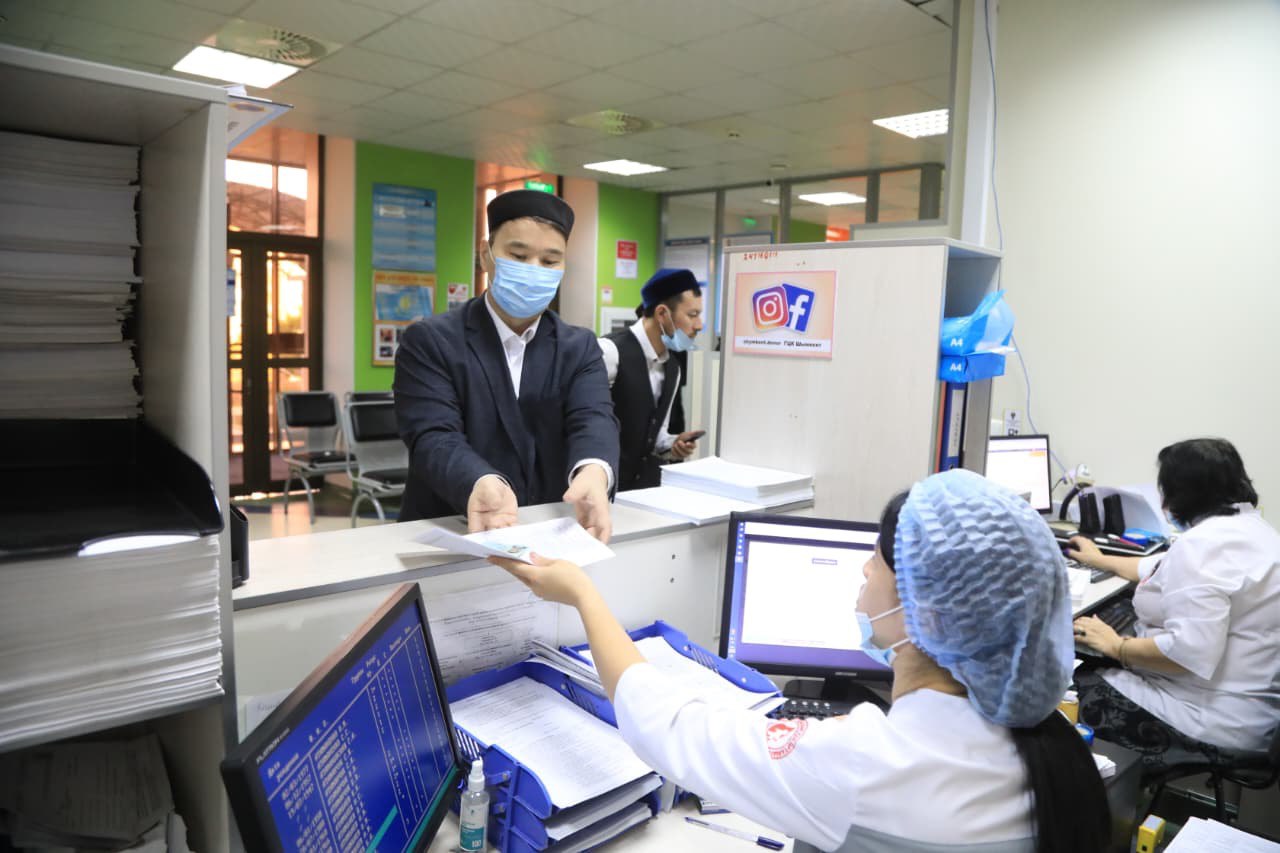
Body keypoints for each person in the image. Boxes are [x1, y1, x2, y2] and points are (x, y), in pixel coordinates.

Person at [492, 470, 1109, 853]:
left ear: (926, 611)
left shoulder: (866, 763)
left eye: (878, 559)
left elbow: (669, 727)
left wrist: (584, 596)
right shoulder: (1050, 749)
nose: (864, 569)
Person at [393, 189, 619, 541]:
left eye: (550, 261)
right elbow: (433, 436)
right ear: (486, 255)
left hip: (546, 535)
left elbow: (593, 418)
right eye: (518, 255)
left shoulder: (578, 347)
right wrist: (479, 480)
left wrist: (594, 470)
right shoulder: (432, 341)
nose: (533, 271)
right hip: (452, 531)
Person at [1070, 438, 1280, 771]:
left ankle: (1098, 791)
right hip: (1254, 713)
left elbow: (1188, 653)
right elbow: (1156, 567)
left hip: (1206, 716)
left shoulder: (1202, 545)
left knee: (1070, 687)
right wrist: (1100, 559)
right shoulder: (1255, 530)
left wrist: (1117, 646)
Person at [597, 268, 705, 491]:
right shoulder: (610, 352)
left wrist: (672, 445)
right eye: (692, 315)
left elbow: (656, 437)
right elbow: (580, 425)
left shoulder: (673, 367)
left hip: (646, 489)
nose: (699, 325)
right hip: (603, 487)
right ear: (662, 313)